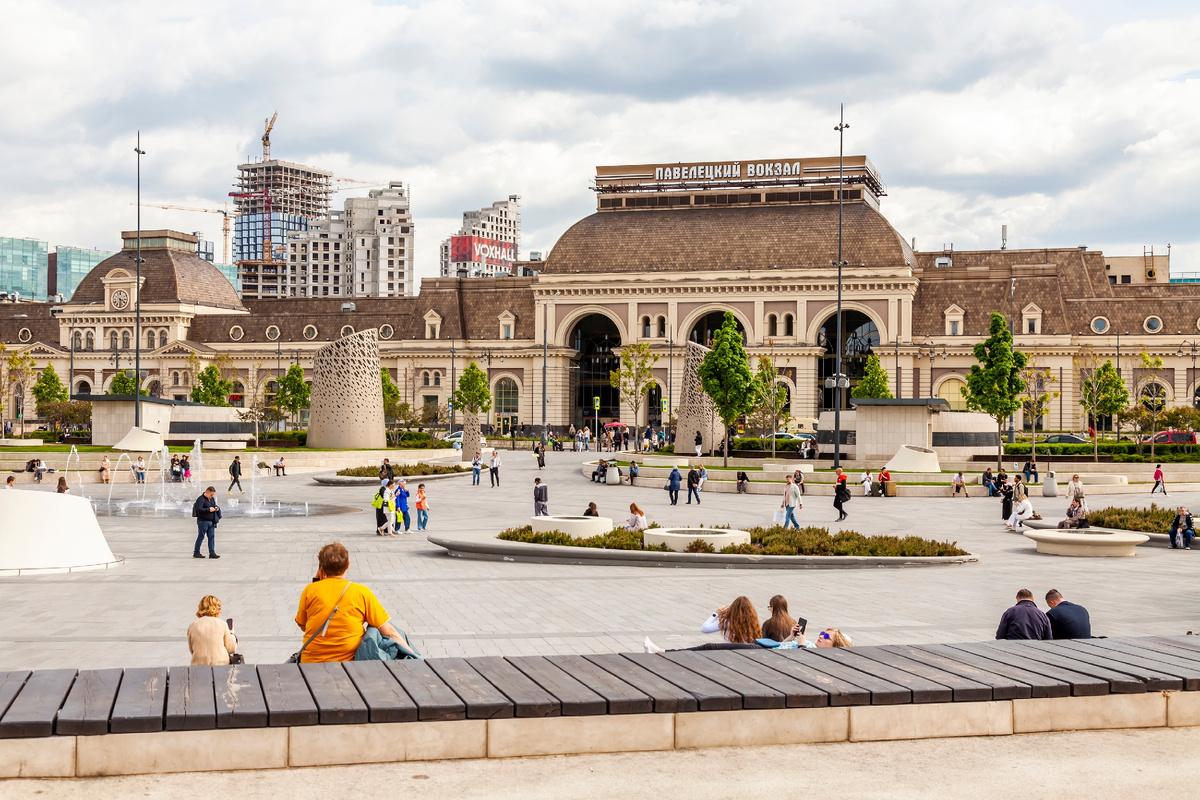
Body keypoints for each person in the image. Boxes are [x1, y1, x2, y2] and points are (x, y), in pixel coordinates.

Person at [294, 542, 407, 663]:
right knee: (377, 627)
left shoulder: (310, 590)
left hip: (310, 662)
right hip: (348, 665)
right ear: (348, 564)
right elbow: (389, 632)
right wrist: (414, 656)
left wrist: (317, 582)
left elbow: (303, 625)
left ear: (321, 568)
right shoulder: (361, 592)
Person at [644, 596, 764, 653]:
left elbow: (704, 629)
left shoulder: (728, 622)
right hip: (746, 655)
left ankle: (660, 651)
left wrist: (716, 613)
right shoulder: (754, 624)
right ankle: (659, 650)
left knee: (697, 649)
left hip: (725, 653)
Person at [188, 595, 238, 666]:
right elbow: (231, 648)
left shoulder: (192, 626)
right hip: (220, 665)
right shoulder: (222, 624)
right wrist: (232, 634)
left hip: (198, 665)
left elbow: (192, 649)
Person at [192, 487, 221, 559]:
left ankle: (212, 553)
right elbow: (199, 509)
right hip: (203, 521)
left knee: (211, 537)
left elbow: (214, 505)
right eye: (211, 495)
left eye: (213, 495)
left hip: (211, 521)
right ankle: (196, 552)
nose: (212, 497)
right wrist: (208, 509)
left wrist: (216, 508)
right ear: (207, 492)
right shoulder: (200, 499)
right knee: (201, 537)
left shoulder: (212, 499)